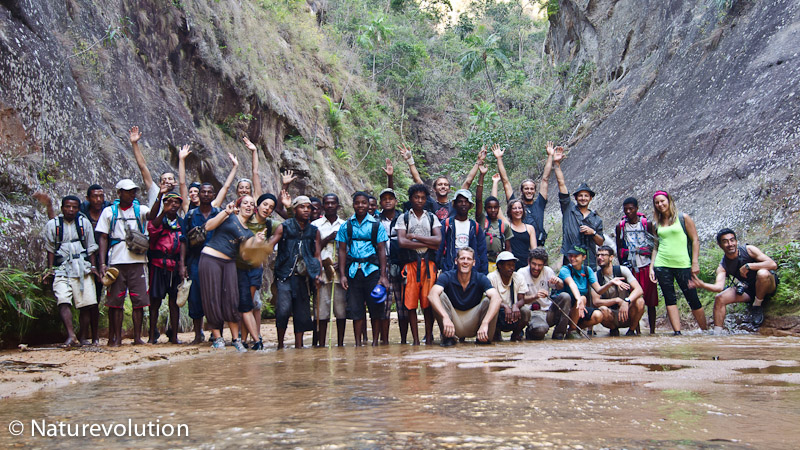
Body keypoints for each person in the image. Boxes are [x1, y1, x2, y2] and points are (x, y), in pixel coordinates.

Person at [199, 195, 264, 351]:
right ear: (239, 206)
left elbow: (246, 256)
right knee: (212, 296)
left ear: (254, 210)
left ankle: (236, 339)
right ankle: (218, 337)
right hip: (211, 258)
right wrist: (225, 212)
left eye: (251, 204)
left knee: (232, 299)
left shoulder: (248, 233)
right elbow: (208, 227)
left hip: (229, 262)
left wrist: (257, 243)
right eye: (245, 203)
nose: (248, 205)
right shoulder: (229, 217)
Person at [96, 179, 152, 346]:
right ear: (119, 193)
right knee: (115, 302)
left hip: (138, 260)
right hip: (116, 261)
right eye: (127, 191)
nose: (131, 194)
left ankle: (137, 337)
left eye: (133, 191)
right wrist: (102, 263)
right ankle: (117, 338)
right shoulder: (108, 212)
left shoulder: (140, 210)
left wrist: (160, 196)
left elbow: (152, 216)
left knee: (139, 301)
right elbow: (103, 238)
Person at [693, 228, 778, 332]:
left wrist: (748, 266)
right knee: (720, 298)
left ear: (736, 241)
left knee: (762, 273)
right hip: (749, 290)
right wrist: (702, 284)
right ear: (720, 245)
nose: (730, 244)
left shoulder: (749, 250)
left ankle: (757, 306)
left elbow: (772, 264)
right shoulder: (723, 266)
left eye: (732, 240)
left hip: (767, 284)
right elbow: (719, 287)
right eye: (725, 241)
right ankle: (717, 334)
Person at [42, 196, 100, 347]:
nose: (71, 210)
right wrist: (50, 269)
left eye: (74, 207)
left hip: (82, 266)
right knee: (63, 299)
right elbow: (50, 249)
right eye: (68, 207)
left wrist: (93, 267)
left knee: (86, 303)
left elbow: (91, 246)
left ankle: (82, 337)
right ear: (62, 208)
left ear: (78, 209)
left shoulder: (83, 223)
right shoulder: (53, 225)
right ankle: (71, 335)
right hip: (62, 267)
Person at [648, 191, 708, 335]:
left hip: (683, 264)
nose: (660, 204)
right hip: (662, 264)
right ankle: (677, 332)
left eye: (662, 201)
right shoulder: (655, 223)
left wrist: (695, 262)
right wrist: (652, 266)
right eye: (657, 203)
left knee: (692, 297)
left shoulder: (683, 218)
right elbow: (656, 247)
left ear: (669, 200)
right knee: (669, 298)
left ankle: (705, 331)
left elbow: (695, 240)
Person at [267, 196, 322, 349]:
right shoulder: (284, 227)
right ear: (295, 209)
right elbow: (271, 244)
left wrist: (318, 274)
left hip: (304, 277)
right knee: (283, 310)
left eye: (309, 207)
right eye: (302, 207)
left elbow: (317, 254)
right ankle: (280, 344)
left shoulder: (314, 231)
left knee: (302, 312)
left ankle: (299, 346)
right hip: (284, 275)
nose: (306, 210)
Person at [337, 192, 389, 346]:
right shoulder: (346, 226)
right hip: (353, 272)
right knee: (355, 309)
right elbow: (341, 251)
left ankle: (374, 342)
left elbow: (381, 250)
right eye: (357, 203)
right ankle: (358, 343)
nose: (361, 206)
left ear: (369, 205)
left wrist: (383, 275)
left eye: (364, 203)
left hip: (372, 270)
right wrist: (342, 275)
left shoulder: (376, 225)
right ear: (353, 204)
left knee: (376, 307)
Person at [427, 247, 503, 346]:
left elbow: (497, 298)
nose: (465, 262)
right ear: (456, 261)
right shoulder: (447, 276)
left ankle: (484, 338)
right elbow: (432, 295)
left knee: (491, 300)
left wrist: (485, 323)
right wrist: (445, 317)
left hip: (474, 321)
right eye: (462, 258)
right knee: (439, 295)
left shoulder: (480, 277)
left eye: (469, 259)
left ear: (474, 262)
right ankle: (448, 338)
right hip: (452, 321)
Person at [237, 192, 285, 348]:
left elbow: (289, 224)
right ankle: (247, 339)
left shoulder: (271, 225)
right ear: (258, 205)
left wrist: (266, 244)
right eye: (265, 205)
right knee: (244, 304)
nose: (267, 209)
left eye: (271, 207)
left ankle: (246, 340)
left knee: (248, 304)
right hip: (238, 266)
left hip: (255, 268)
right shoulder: (245, 219)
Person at [396, 184, 442, 346]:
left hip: (429, 264)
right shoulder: (404, 218)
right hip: (410, 265)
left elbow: (438, 241)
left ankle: (428, 338)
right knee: (410, 303)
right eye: (416, 197)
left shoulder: (431, 217)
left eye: (423, 198)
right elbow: (402, 242)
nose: (419, 200)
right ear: (411, 199)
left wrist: (414, 236)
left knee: (428, 303)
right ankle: (415, 340)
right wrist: (427, 243)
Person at [398, 144, 487, 220]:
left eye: (446, 185)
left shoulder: (455, 204)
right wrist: (410, 161)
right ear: (434, 189)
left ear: (449, 189)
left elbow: (468, 182)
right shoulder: (430, 202)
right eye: (440, 184)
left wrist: (478, 162)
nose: (443, 186)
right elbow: (418, 180)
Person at [492, 142, 557, 246]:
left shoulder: (539, 204)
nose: (529, 191)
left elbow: (545, 179)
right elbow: (505, 182)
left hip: (538, 247)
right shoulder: (516, 206)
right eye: (526, 188)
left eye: (532, 189)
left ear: (535, 191)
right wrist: (499, 158)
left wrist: (550, 156)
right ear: (522, 190)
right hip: (520, 246)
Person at [145, 189, 185, 344]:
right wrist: (163, 211)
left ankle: (174, 335)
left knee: (175, 301)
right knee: (155, 300)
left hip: (174, 266)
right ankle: (151, 335)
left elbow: (183, 242)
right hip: (158, 265)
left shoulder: (181, 223)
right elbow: (152, 229)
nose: (173, 205)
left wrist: (182, 264)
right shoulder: (159, 220)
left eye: (176, 202)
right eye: (169, 202)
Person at [182, 183, 220, 344]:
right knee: (195, 296)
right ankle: (198, 334)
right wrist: (182, 264)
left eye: (208, 192)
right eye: (202, 192)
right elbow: (183, 240)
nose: (205, 194)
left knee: (215, 296)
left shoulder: (219, 214)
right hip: (195, 261)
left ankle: (215, 332)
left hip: (215, 261)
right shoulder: (191, 215)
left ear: (213, 195)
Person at [554, 148, 603, 270]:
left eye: (586, 196)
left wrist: (593, 232)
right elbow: (561, 184)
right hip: (570, 258)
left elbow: (601, 242)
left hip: (589, 260)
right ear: (575, 197)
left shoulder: (596, 219)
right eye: (580, 195)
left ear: (590, 198)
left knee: (590, 288)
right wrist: (556, 164)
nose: (583, 198)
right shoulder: (568, 209)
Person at [615, 197, 659, 334]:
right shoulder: (620, 227)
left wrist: (654, 266)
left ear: (637, 208)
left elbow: (655, 245)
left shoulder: (647, 224)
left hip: (646, 266)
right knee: (634, 300)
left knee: (651, 302)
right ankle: (636, 329)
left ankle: (652, 331)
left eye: (631, 209)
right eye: (626, 209)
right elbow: (618, 247)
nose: (628, 212)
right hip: (631, 269)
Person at [311, 193, 347, 347]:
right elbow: (312, 247)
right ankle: (321, 344)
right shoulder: (315, 225)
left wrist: (343, 264)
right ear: (323, 206)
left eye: (333, 203)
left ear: (338, 206)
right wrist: (328, 238)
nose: (330, 206)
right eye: (327, 203)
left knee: (340, 310)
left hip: (339, 273)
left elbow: (349, 248)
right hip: (322, 272)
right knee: (322, 311)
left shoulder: (345, 225)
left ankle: (340, 343)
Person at [518, 248, 571, 340]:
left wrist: (558, 282)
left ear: (544, 265)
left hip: (547, 311)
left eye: (540, 265)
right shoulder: (521, 273)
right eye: (534, 264)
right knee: (541, 330)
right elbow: (519, 300)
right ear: (529, 262)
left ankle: (559, 333)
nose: (536, 268)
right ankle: (531, 331)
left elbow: (560, 287)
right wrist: (535, 296)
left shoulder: (548, 271)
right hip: (531, 312)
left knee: (565, 297)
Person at [594, 246, 645, 336]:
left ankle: (631, 330)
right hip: (611, 314)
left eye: (603, 255)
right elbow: (596, 302)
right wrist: (617, 300)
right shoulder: (595, 276)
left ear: (611, 257)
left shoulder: (622, 270)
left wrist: (626, 301)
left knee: (640, 301)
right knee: (602, 310)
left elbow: (639, 290)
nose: (599, 258)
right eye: (598, 255)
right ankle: (613, 329)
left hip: (628, 312)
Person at [558, 245, 605, 336]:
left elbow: (599, 290)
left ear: (584, 257)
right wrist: (579, 299)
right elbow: (572, 284)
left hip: (580, 307)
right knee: (583, 298)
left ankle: (577, 327)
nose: (572, 258)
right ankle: (572, 330)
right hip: (566, 307)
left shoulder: (587, 270)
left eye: (576, 256)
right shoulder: (565, 269)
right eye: (570, 256)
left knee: (598, 315)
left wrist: (611, 283)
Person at [438, 189, 488, 274]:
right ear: (455, 204)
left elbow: (482, 250)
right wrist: (440, 266)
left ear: (470, 205)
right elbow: (439, 248)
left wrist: (483, 272)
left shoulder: (474, 226)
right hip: (450, 268)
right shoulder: (447, 224)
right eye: (460, 201)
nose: (463, 204)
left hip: (470, 269)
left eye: (466, 201)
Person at [177, 144, 239, 214]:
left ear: (201, 193)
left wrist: (235, 167)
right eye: (191, 192)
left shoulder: (213, 206)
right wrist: (181, 160)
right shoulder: (187, 206)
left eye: (195, 191)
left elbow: (225, 187)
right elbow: (182, 183)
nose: (193, 194)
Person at [128, 126, 177, 208]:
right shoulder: (154, 191)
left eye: (170, 179)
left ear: (175, 183)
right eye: (164, 179)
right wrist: (134, 144)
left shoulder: (179, 199)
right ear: (159, 183)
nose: (167, 181)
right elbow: (143, 167)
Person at [475, 164, 512, 271]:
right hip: (483, 262)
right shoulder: (482, 220)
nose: (493, 210)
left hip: (498, 264)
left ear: (499, 208)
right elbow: (478, 200)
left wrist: (508, 264)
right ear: (485, 208)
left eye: (495, 207)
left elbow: (509, 247)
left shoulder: (504, 226)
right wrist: (481, 176)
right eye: (489, 207)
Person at [377, 186, 401, 345]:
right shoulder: (375, 220)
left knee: (403, 305)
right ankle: (384, 341)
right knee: (383, 305)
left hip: (401, 263)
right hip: (382, 264)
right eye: (384, 199)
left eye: (390, 198)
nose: (387, 201)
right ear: (380, 202)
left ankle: (405, 340)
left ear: (395, 201)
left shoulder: (403, 218)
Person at [487, 252, 529, 341]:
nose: (512, 268)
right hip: (498, 311)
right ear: (500, 266)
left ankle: (516, 334)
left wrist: (516, 305)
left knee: (526, 311)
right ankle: (495, 334)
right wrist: (504, 306)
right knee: (490, 308)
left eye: (513, 265)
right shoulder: (491, 277)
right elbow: (489, 299)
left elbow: (522, 299)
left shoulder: (518, 277)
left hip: (514, 312)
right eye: (508, 265)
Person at [506, 199, 537, 270]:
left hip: (526, 264)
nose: (517, 210)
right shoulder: (507, 226)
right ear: (510, 211)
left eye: (520, 208)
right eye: (514, 208)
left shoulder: (530, 228)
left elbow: (534, 250)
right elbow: (498, 211)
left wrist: (532, 265)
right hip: (511, 264)